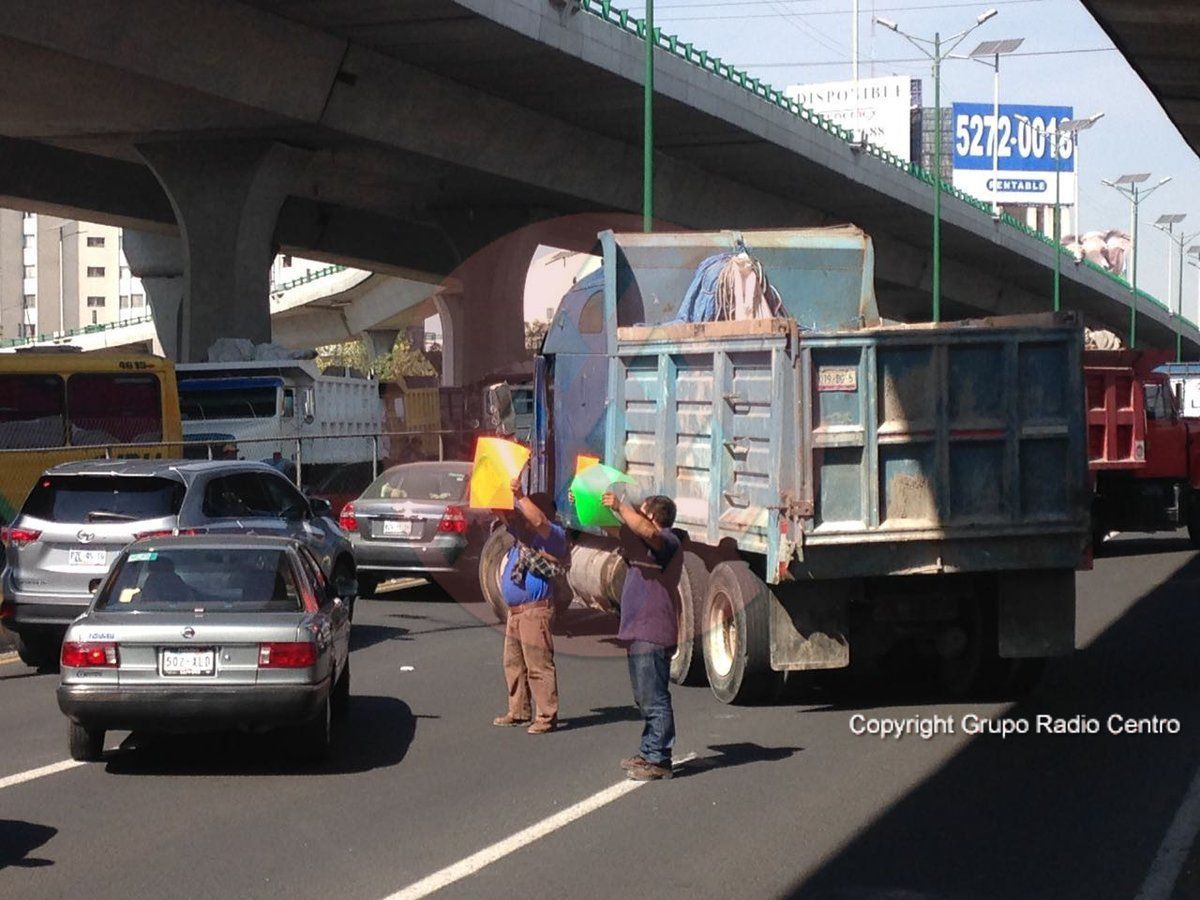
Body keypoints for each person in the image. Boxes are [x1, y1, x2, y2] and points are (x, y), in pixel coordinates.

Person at [601, 490, 682, 781]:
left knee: (654, 697)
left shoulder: (668, 541)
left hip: (653, 631)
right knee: (643, 696)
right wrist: (589, 506)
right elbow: (616, 528)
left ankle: (659, 759)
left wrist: (622, 505)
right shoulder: (641, 543)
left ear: (652, 515)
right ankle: (649, 751)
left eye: (641, 509)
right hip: (637, 630)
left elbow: (646, 530)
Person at [492, 477, 569, 734]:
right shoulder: (523, 535)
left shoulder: (553, 535)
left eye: (527, 510)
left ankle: (546, 716)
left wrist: (521, 495)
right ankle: (519, 710)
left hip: (536, 610)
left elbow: (538, 521)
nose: (522, 516)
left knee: (538, 664)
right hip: (516, 612)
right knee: (513, 663)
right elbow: (500, 512)